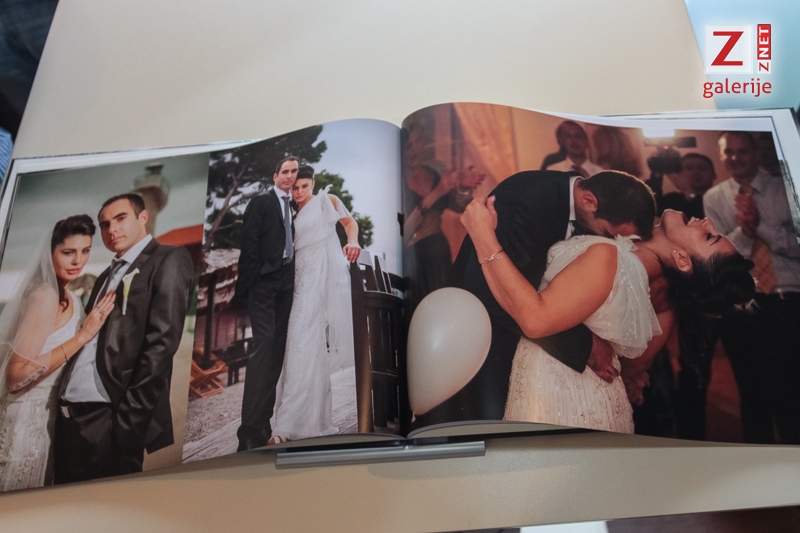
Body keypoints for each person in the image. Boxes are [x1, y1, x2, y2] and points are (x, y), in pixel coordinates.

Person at [461, 197, 754, 432]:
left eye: (709, 237)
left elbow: (535, 320)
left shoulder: (611, 258)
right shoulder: (630, 265)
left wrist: (483, 235)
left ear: (682, 260)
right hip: (583, 396)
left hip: (560, 399)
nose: (708, 222)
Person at [414, 170, 655, 426]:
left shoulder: (586, 198)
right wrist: (585, 345)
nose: (611, 244)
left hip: (538, 354)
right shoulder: (525, 201)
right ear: (588, 201)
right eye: (608, 234)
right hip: (484, 342)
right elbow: (491, 295)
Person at [53, 194, 193, 483]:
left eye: (120, 219)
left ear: (143, 218)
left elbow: (161, 344)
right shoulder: (104, 276)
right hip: (69, 419)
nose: (111, 229)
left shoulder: (168, 259)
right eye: (104, 224)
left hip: (110, 418)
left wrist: (128, 425)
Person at [0, 215, 115, 491]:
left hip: (51, 420)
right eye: (68, 252)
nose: (78, 261)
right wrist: (83, 336)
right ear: (49, 253)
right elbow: (15, 377)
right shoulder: (44, 296)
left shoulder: (69, 296)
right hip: (26, 422)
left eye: (85, 251)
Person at [704, 131, 800, 444]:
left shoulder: (785, 189)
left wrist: (761, 227)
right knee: (751, 388)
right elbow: (718, 254)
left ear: (755, 152)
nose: (736, 158)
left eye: (742, 151)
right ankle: (759, 460)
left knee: (791, 388)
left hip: (787, 299)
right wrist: (745, 232)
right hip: (744, 303)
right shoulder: (714, 197)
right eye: (729, 152)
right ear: (721, 155)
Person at [268, 166, 360, 444]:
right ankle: (308, 420)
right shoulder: (290, 213)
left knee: (301, 342)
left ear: (313, 184)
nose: (298, 192)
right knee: (298, 348)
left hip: (316, 281)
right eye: (294, 188)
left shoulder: (325, 201)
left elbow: (349, 223)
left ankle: (286, 426)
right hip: (293, 284)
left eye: (304, 186)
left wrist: (353, 242)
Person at [233, 156, 299, 451]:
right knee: (264, 345)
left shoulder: (292, 206)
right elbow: (248, 245)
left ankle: (263, 424)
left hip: (286, 283)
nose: (289, 176)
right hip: (263, 282)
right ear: (275, 176)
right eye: (285, 171)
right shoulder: (261, 202)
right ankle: (247, 432)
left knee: (276, 351)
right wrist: (252, 282)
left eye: (294, 171)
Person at [661, 153, 717, 220]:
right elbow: (651, 208)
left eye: (702, 168)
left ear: (713, 174)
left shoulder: (720, 199)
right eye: (689, 168)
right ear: (679, 174)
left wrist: (689, 191)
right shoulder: (672, 199)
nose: (695, 172)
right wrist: (657, 172)